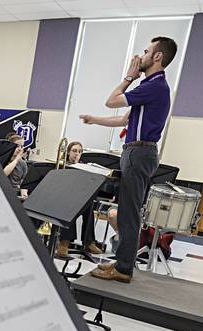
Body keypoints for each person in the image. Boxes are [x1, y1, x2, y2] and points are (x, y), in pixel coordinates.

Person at [79, 36, 177, 283]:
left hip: (139, 152)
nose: (140, 56)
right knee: (125, 212)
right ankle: (122, 262)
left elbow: (111, 101)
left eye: (146, 51)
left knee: (129, 214)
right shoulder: (153, 86)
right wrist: (95, 120)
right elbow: (124, 120)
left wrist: (128, 77)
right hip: (136, 151)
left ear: (157, 57)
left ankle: (123, 269)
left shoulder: (153, 85)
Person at [56, 141, 103, 258]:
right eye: (74, 151)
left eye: (80, 151)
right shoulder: (62, 165)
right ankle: (64, 242)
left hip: (79, 197)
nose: (77, 154)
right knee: (69, 204)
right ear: (68, 152)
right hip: (62, 199)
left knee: (89, 205)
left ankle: (89, 242)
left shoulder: (84, 167)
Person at [3, 133, 28, 200]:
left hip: (15, 195)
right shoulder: (2, 160)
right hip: (2, 192)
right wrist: (16, 159)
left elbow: (24, 183)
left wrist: (24, 194)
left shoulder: (23, 164)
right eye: (17, 146)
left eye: (21, 146)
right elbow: (3, 174)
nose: (20, 149)